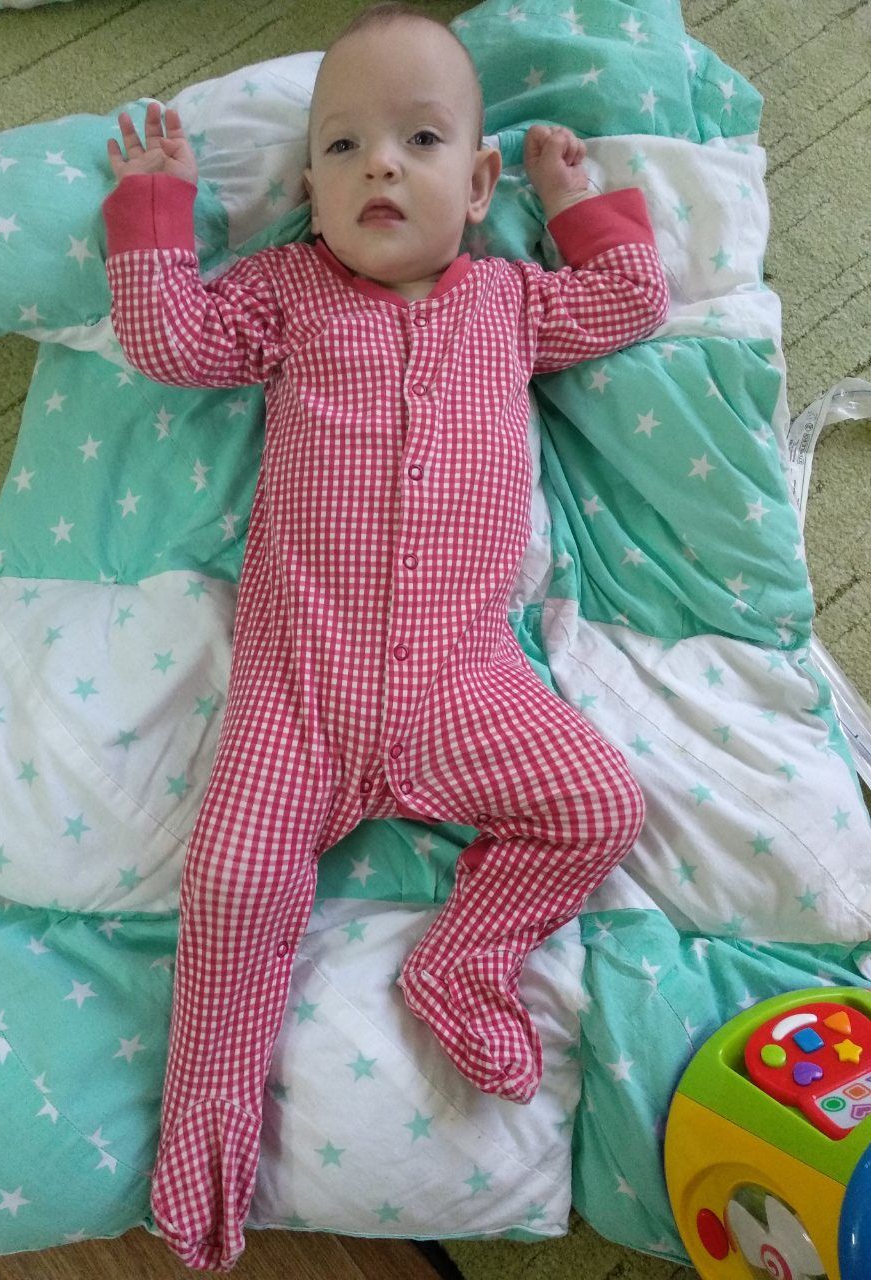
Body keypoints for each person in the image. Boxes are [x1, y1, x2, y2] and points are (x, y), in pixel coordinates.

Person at [102, 2, 669, 1269]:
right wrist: (154, 210)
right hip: (297, 700)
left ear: (476, 184)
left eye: (419, 140)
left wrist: (574, 199)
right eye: (345, 146)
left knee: (596, 802)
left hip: (464, 685)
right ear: (309, 189)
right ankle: (208, 1117)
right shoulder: (289, 294)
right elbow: (173, 338)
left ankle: (464, 963)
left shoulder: (510, 304)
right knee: (232, 879)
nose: (381, 169)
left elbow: (631, 297)